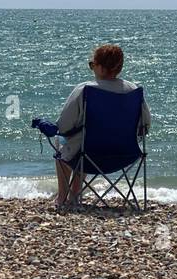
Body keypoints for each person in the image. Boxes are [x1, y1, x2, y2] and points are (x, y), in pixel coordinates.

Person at [52, 43, 150, 208]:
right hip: (125, 154)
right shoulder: (133, 90)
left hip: (90, 155)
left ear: (102, 68)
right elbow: (145, 125)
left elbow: (63, 126)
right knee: (81, 144)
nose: (92, 69)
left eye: (92, 65)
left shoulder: (85, 90)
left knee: (63, 142)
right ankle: (74, 195)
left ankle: (63, 198)